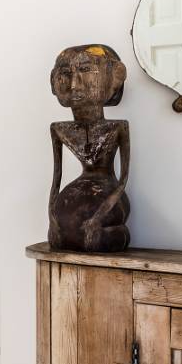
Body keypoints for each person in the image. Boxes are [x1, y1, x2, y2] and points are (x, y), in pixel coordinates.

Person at [48, 44, 131, 252]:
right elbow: (56, 177)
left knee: (100, 239)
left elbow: (122, 180)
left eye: (85, 70)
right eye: (65, 74)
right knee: (58, 241)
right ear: (53, 81)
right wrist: (52, 218)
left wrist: (99, 215)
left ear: (116, 76)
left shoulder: (117, 127)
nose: (75, 85)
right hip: (72, 212)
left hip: (109, 203)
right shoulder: (59, 129)